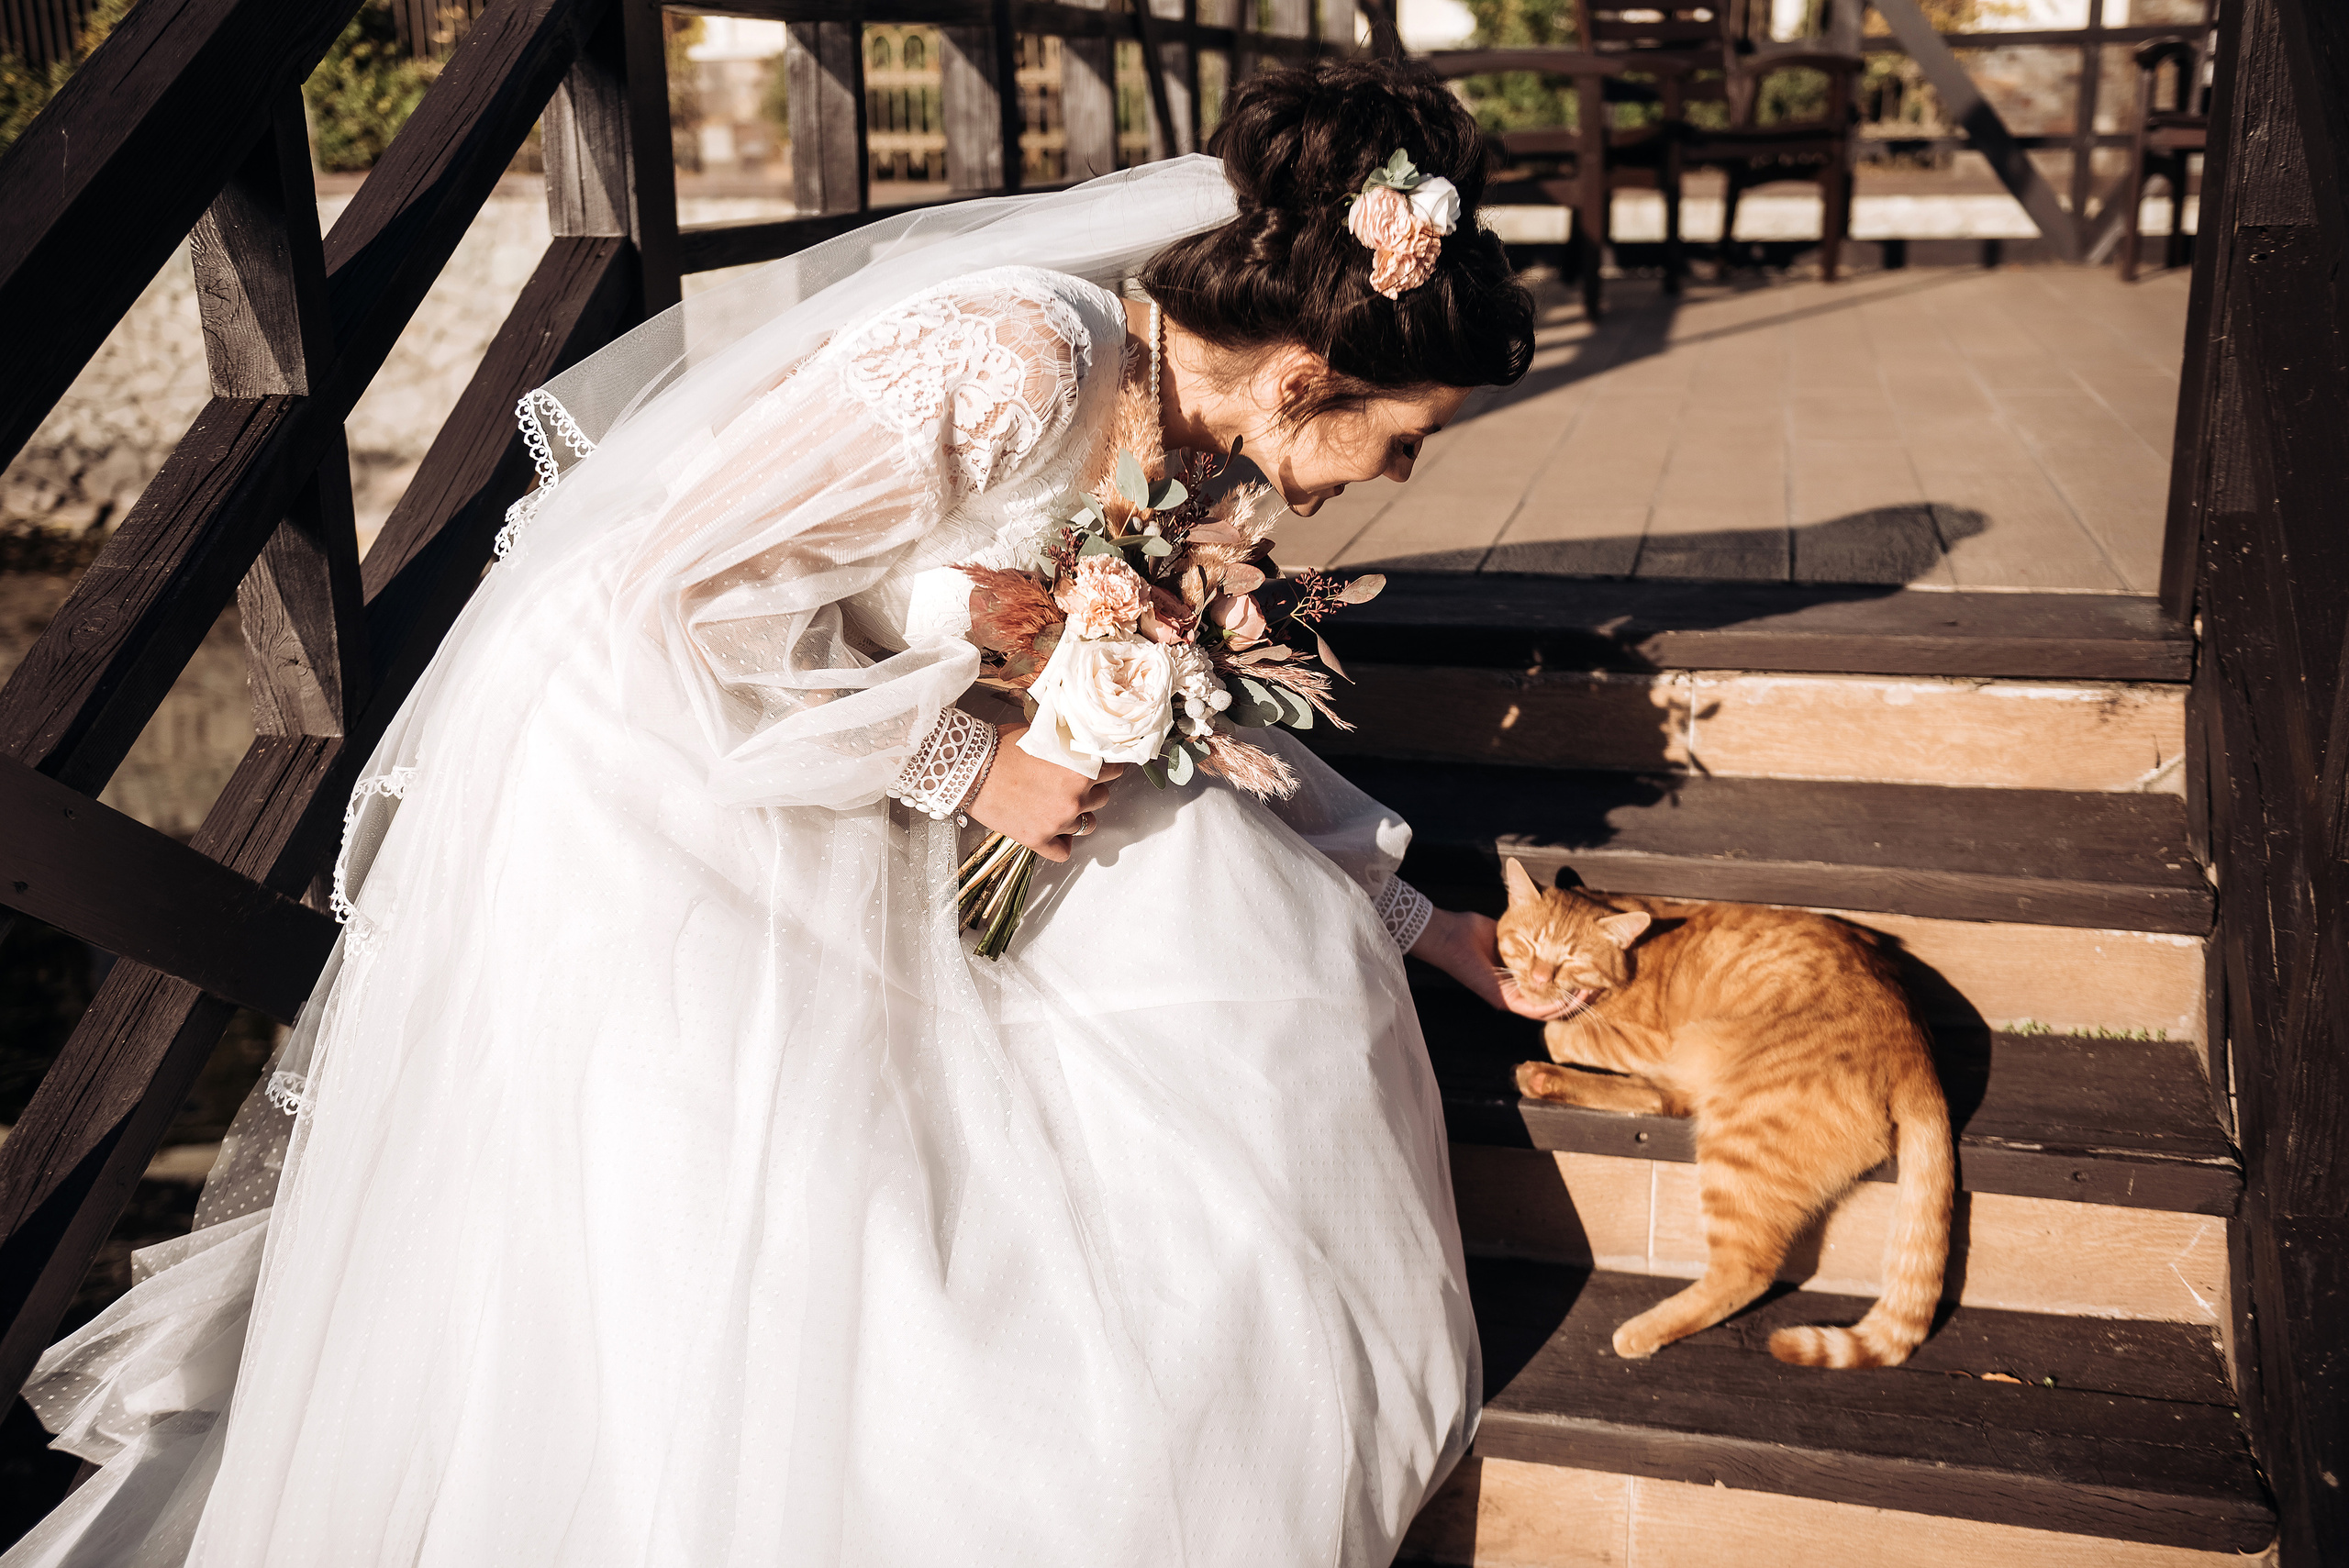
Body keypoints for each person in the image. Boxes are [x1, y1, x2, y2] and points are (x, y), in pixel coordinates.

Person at [8, 58, 1551, 1568]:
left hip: (828, 737)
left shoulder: (1195, 456)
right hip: (654, 752)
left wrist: (1428, 922)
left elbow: (1204, 722)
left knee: (1230, 915)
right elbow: (673, 595)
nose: (1395, 474)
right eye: (1403, 435)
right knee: (786, 1218)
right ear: (1304, 376)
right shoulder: (1020, 354)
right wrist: (972, 767)